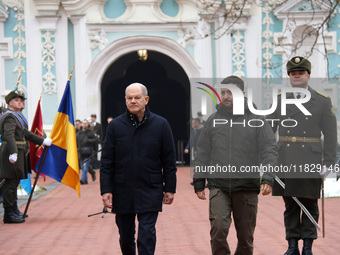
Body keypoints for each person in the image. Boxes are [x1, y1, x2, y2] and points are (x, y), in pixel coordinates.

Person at [193, 75, 278, 255]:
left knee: (246, 238)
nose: (225, 96)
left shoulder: (257, 119)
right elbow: (202, 152)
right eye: (223, 92)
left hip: (246, 187)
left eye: (230, 92)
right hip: (219, 186)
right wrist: (199, 180)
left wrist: (269, 177)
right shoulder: (213, 120)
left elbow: (269, 149)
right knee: (218, 230)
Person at [267, 56, 337, 255]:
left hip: (311, 160)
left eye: (300, 73)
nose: (297, 76)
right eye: (293, 73)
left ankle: (307, 246)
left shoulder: (322, 101)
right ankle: (292, 245)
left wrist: (329, 162)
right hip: (285, 159)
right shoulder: (280, 100)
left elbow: (331, 134)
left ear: (308, 75)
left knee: (309, 202)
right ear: (289, 76)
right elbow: (268, 131)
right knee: (290, 204)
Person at [100, 83, 177, 255]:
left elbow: (169, 161)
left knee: (147, 234)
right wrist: (106, 189)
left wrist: (170, 188)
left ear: (146, 99)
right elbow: (106, 161)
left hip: (150, 188)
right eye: (129, 98)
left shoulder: (161, 125)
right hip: (122, 190)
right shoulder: (115, 126)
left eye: (137, 97)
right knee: (125, 236)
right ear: (125, 100)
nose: (133, 101)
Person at [0, 90, 52, 223]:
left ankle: (14, 209)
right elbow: (9, 135)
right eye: (18, 100)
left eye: (22, 100)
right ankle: (9, 213)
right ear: (10, 103)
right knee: (9, 183)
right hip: (12, 152)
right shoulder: (9, 116)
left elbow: (25, 134)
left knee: (14, 181)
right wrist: (13, 152)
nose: (21, 102)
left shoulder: (18, 117)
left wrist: (42, 141)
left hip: (18, 152)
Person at [76, 119, 98, 184]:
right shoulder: (78, 133)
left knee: (85, 166)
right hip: (81, 152)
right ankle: (90, 175)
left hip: (88, 152)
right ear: (81, 124)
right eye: (83, 123)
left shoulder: (91, 132)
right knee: (84, 166)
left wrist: (88, 141)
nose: (84, 124)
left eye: (85, 123)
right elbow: (75, 142)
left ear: (87, 124)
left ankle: (83, 179)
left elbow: (96, 140)